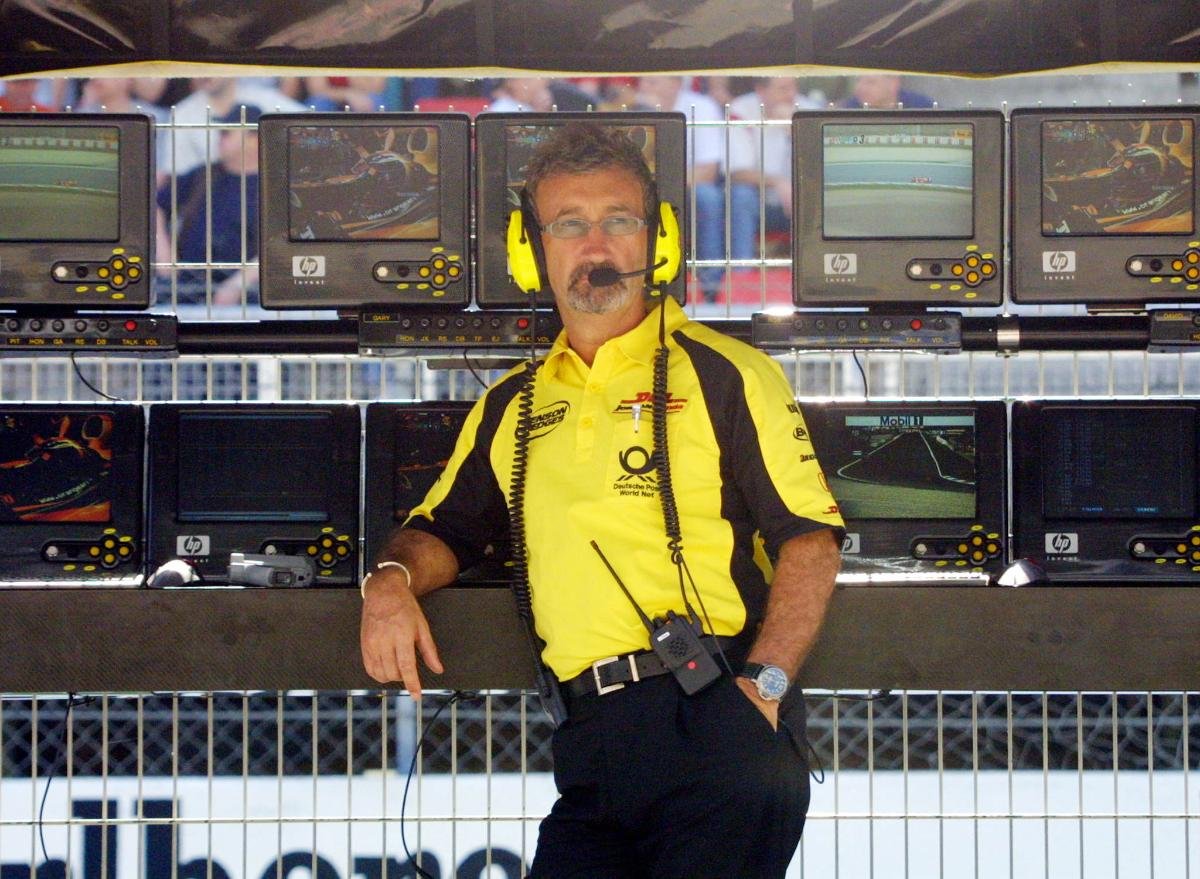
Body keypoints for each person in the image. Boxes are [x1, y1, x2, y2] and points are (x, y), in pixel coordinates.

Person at [360, 122, 844, 878]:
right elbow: (441, 530)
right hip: (587, 743)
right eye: (571, 224)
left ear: (656, 240)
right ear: (533, 249)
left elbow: (810, 540)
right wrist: (388, 581)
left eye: (619, 220)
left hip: (719, 722)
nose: (598, 245)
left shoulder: (727, 373)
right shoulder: (510, 408)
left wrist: (766, 688)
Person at [155, 106, 261, 306]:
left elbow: (283, 243)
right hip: (188, 283)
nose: (220, 137)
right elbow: (156, 207)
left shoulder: (275, 185)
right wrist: (164, 258)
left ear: (254, 138)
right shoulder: (201, 176)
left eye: (227, 133)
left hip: (246, 291)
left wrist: (241, 282)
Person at [841, 73, 935, 109]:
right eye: (858, 80)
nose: (860, 87)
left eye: (870, 82)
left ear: (893, 83)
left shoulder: (922, 107)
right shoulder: (847, 110)